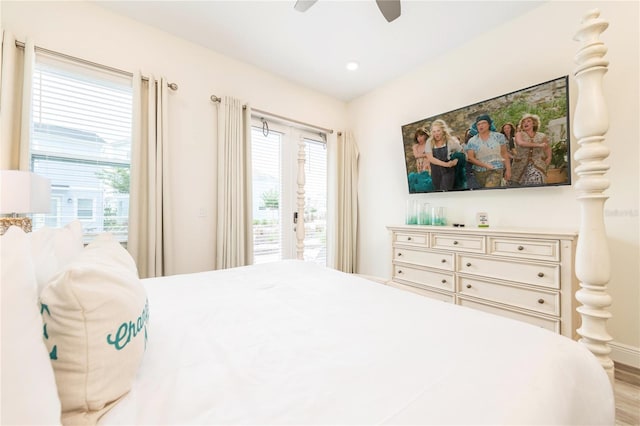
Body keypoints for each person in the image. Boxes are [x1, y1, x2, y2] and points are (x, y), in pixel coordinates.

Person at [465, 114, 511, 188]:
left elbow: (504, 154)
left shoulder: (499, 136)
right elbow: (470, 158)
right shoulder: (472, 141)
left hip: (496, 168)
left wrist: (508, 170)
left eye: (483, 123)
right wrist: (485, 165)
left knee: (489, 188)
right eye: (478, 124)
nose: (481, 126)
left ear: (489, 124)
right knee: (488, 191)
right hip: (479, 171)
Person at [511, 113, 551, 185]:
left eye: (528, 121)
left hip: (538, 164)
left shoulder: (542, 135)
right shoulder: (519, 134)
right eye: (523, 122)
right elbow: (521, 143)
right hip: (520, 165)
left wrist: (549, 157)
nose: (525, 123)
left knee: (536, 178)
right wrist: (539, 145)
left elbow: (547, 147)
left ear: (534, 123)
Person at [425, 119, 462, 190]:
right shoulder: (429, 142)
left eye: (438, 131)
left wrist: (456, 160)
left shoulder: (450, 141)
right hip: (435, 173)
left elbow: (462, 152)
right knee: (438, 192)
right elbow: (430, 158)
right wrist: (446, 164)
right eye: (434, 131)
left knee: (445, 190)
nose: (436, 134)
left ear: (443, 130)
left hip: (448, 172)